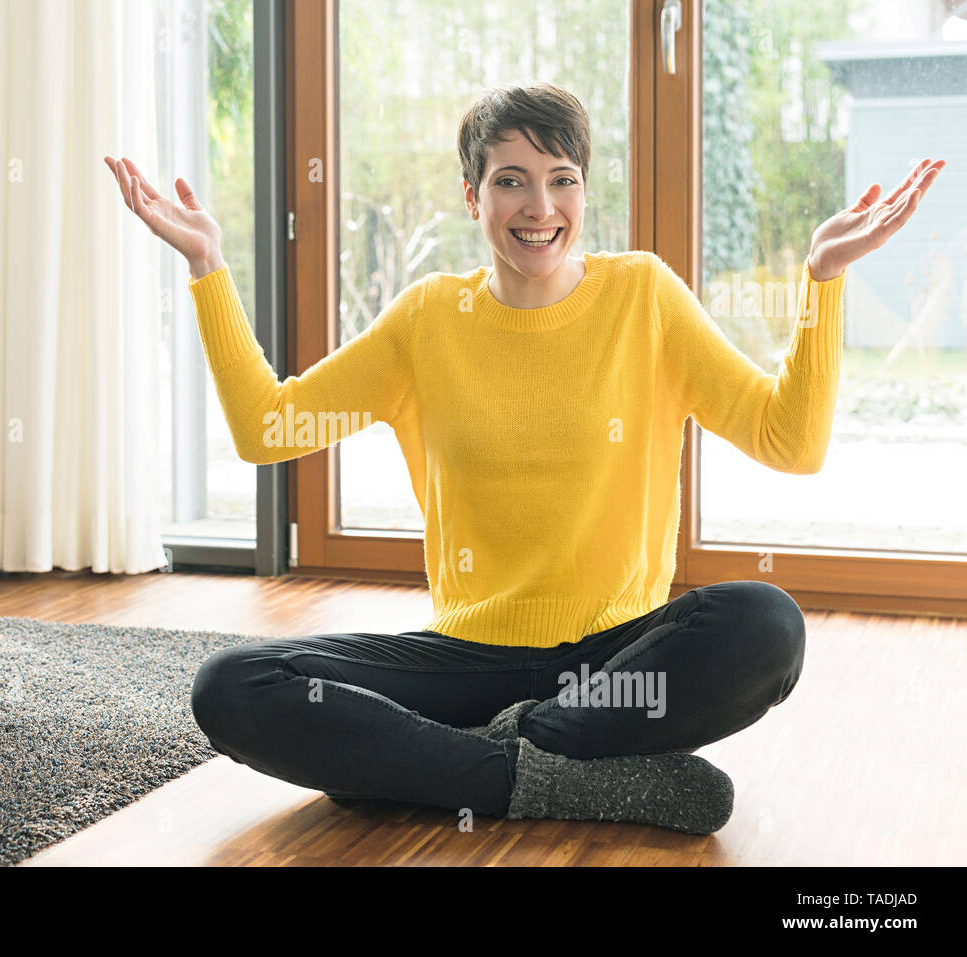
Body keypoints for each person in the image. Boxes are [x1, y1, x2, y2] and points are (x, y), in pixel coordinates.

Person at [104, 82, 944, 835]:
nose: (538, 205)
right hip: (464, 661)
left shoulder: (643, 297)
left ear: (584, 190)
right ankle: (547, 775)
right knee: (232, 685)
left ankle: (440, 764)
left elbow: (789, 441)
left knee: (766, 624)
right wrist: (208, 266)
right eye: (510, 179)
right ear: (473, 196)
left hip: (612, 671)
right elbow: (270, 428)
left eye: (561, 179)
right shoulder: (428, 318)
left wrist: (823, 279)